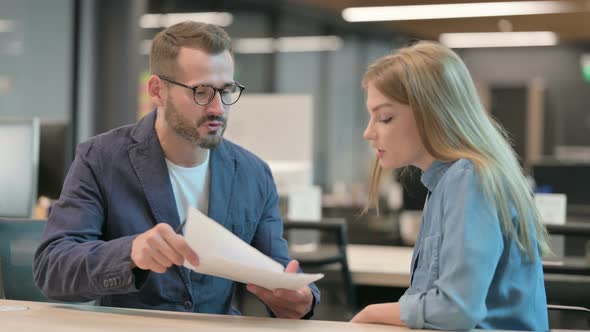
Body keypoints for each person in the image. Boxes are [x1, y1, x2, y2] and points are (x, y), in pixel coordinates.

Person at [33, 21, 319, 319]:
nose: (218, 108)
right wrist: (130, 252)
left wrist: (302, 301)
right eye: (201, 91)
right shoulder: (101, 159)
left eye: (227, 90)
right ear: (157, 91)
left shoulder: (253, 173)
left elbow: (281, 272)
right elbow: (51, 269)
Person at [350, 41, 550, 330]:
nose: (368, 132)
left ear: (431, 113)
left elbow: (457, 309)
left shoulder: (469, 178)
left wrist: (370, 313)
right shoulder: (446, 182)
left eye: (385, 117)